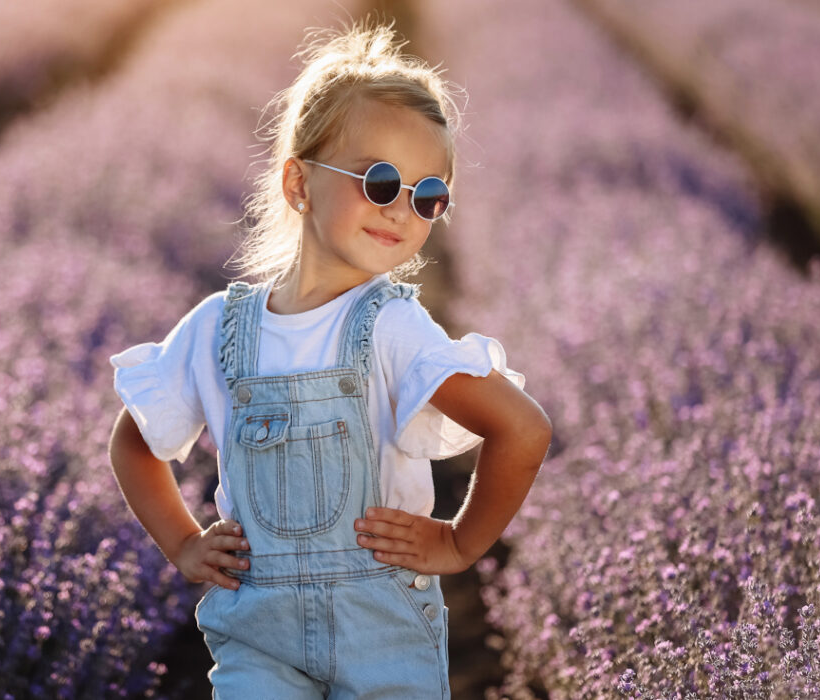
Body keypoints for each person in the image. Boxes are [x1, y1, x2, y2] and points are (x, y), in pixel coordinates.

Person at [108, 21, 551, 699]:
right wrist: (183, 542)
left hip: (383, 639)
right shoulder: (218, 330)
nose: (402, 209)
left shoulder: (394, 330)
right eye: (379, 182)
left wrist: (461, 543)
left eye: (428, 195)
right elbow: (134, 443)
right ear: (299, 183)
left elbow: (522, 427)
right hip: (259, 640)